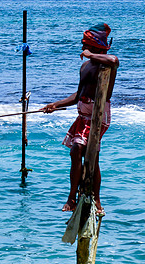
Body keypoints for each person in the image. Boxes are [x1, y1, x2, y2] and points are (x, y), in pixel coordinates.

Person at [41, 23, 119, 215]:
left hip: (98, 115)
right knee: (79, 153)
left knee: (86, 152)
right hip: (82, 115)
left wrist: (91, 55)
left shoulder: (106, 64)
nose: (82, 47)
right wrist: (55, 104)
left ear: (95, 46)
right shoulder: (85, 66)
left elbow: (114, 59)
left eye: (86, 44)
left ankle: (92, 198)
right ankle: (74, 197)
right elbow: (78, 95)